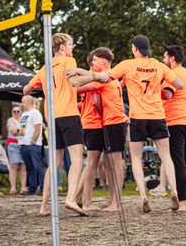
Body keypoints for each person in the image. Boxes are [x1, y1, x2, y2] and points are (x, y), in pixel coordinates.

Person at [65, 35, 184, 213]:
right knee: (165, 156)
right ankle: (174, 191)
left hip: (136, 117)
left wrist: (79, 73)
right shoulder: (159, 66)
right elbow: (179, 85)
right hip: (157, 115)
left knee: (134, 158)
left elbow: (102, 77)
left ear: (134, 49)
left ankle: (143, 196)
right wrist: (156, 85)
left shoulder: (127, 65)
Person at [24, 33, 88, 216]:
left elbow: (26, 89)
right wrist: (96, 77)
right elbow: (74, 80)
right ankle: (70, 199)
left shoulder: (44, 68)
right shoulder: (69, 61)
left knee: (55, 163)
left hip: (51, 118)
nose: (72, 48)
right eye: (70, 44)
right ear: (62, 47)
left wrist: (42, 86)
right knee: (76, 159)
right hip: (68, 114)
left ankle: (44, 207)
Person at [71, 47, 128, 212]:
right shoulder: (107, 78)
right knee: (104, 163)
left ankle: (109, 202)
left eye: (94, 61)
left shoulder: (103, 78)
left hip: (107, 122)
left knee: (108, 163)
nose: (92, 63)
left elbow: (91, 99)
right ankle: (105, 200)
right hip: (102, 123)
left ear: (103, 62)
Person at [161, 45, 186, 211]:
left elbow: (167, 94)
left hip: (176, 120)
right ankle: (181, 201)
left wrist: (150, 90)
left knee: (177, 163)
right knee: (180, 162)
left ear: (172, 59)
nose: (163, 60)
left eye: (165, 57)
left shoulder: (174, 74)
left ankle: (181, 203)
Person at [75, 51, 104, 211]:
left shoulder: (87, 78)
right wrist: (104, 115)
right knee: (92, 163)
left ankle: (78, 196)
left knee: (92, 163)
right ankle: (86, 201)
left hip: (86, 122)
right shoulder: (95, 77)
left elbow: (84, 103)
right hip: (94, 123)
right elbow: (94, 101)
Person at [17, 95, 44, 195]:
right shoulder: (24, 114)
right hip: (24, 144)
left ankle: (43, 188)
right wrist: (21, 142)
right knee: (29, 168)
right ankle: (32, 188)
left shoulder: (35, 113)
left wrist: (33, 141)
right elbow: (23, 129)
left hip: (33, 145)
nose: (22, 104)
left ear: (28, 102)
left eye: (23, 102)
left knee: (37, 167)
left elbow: (38, 129)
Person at [6, 105, 27, 194]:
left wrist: (18, 130)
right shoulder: (10, 120)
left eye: (18, 111)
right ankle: (13, 187)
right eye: (14, 111)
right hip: (13, 145)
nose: (16, 113)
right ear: (12, 112)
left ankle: (23, 187)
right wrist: (22, 129)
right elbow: (13, 131)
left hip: (22, 144)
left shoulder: (23, 119)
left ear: (21, 112)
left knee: (23, 167)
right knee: (13, 166)